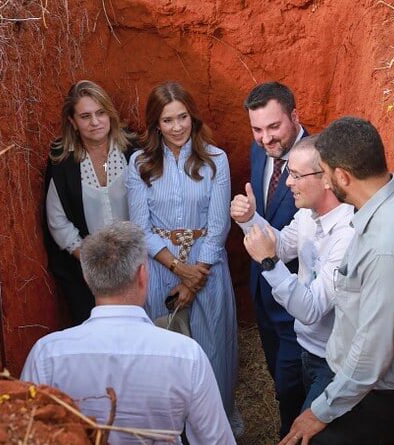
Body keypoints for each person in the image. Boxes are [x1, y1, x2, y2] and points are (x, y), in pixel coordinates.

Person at [280, 116, 394, 445]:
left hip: (380, 393)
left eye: (325, 173)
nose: (325, 182)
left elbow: (373, 350)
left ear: (342, 176)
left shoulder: (389, 248)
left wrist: (321, 411)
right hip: (371, 385)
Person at [22, 222, 235, 445]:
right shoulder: (186, 355)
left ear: (87, 277)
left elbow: (23, 433)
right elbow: (217, 441)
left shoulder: (47, 355)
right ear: (143, 275)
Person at [126, 81, 240, 432]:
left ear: (193, 117)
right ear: (155, 124)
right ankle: (172, 431)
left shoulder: (215, 159)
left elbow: (219, 225)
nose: (177, 127)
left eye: (182, 117)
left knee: (212, 352)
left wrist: (195, 277)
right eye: (167, 120)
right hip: (159, 268)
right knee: (166, 351)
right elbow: (140, 227)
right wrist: (179, 269)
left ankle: (214, 430)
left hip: (208, 266)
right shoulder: (140, 162)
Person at [231, 135, 354, 413]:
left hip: (332, 362)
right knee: (288, 414)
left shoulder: (348, 234)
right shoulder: (309, 213)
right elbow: (283, 245)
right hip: (304, 347)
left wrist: (269, 263)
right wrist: (249, 219)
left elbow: (311, 310)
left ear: (326, 179)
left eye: (296, 175)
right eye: (289, 173)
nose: (288, 182)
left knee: (308, 429)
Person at [241, 81, 309, 438]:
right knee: (279, 379)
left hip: (300, 303)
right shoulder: (260, 153)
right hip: (263, 293)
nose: (265, 138)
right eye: (257, 129)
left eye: (273, 126)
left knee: (293, 386)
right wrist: (248, 217)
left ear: (294, 117)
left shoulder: (316, 161)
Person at [43, 80, 135, 326]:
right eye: (85, 116)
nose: (95, 122)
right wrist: (90, 259)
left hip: (137, 263)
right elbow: (57, 220)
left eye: (100, 113)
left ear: (110, 114)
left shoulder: (132, 152)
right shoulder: (62, 162)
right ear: (73, 122)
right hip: (87, 273)